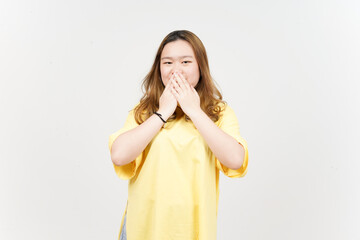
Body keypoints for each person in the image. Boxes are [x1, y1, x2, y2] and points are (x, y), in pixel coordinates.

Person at [108, 30, 249, 240]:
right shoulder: (145, 111)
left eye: (185, 62)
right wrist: (163, 112)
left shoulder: (218, 113)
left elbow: (236, 159)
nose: (176, 70)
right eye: (167, 63)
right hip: (143, 230)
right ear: (159, 69)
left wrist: (194, 110)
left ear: (200, 66)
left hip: (193, 232)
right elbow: (119, 155)